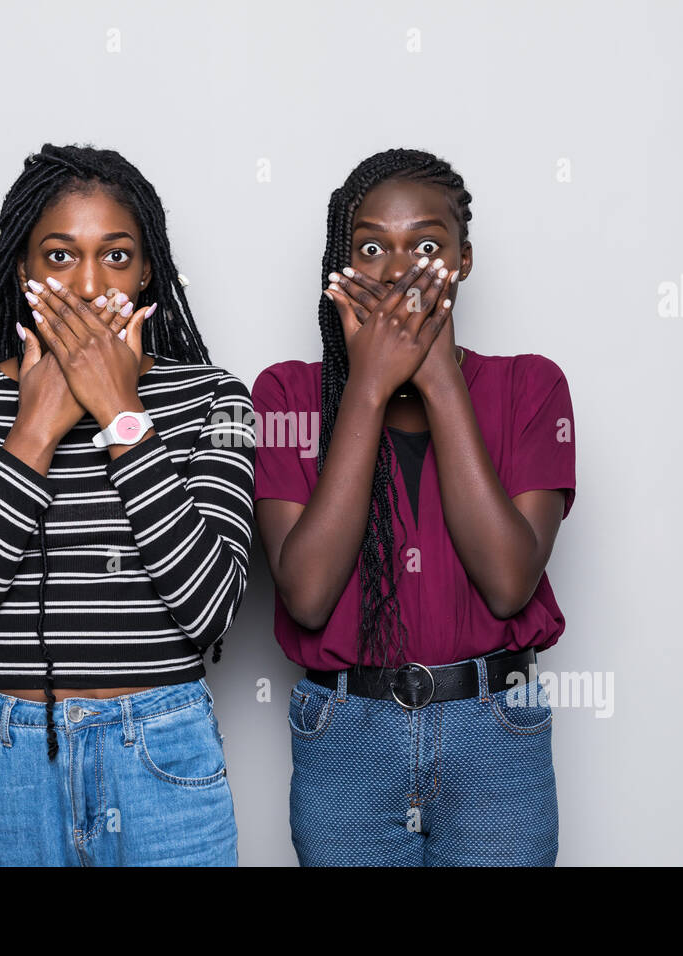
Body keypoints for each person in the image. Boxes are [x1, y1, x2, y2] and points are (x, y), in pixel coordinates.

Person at [0, 143, 255, 866]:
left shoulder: (215, 400)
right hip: (10, 763)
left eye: (116, 256)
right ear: (23, 269)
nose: (89, 284)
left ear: (149, 268)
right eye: (60, 256)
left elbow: (210, 607)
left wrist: (121, 412)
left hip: (164, 756)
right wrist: (34, 430)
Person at [251, 148, 576, 866]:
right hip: (346, 737)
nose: (399, 271)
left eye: (426, 245)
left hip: (494, 734)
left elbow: (508, 579)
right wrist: (367, 389)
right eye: (372, 247)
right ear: (343, 266)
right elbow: (306, 594)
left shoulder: (532, 387)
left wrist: (439, 380)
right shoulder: (286, 396)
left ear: (462, 260)